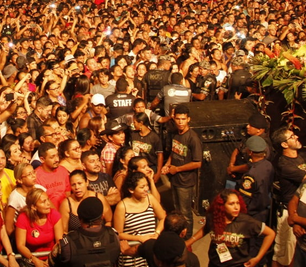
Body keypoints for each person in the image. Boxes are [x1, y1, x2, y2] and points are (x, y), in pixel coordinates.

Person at [186, 189, 275, 267]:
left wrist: (257, 258)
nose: (236, 207)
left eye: (237, 203)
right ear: (222, 206)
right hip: (215, 263)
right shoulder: (214, 217)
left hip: (237, 264)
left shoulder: (246, 222)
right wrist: (189, 242)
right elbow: (206, 228)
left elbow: (270, 234)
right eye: (231, 204)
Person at [161, 104, 202, 239]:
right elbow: (174, 152)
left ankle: (187, 239)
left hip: (186, 181)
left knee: (185, 213)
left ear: (188, 119)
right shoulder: (175, 134)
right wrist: (167, 165)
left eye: (183, 119)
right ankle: (179, 235)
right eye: (178, 119)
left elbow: (197, 163)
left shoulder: (193, 138)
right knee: (177, 210)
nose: (180, 122)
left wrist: (177, 169)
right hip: (175, 179)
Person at [49, 196, 121, 267]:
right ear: (102, 217)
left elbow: (51, 262)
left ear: (79, 219)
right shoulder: (114, 236)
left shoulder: (68, 243)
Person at [114, 171, 166, 267]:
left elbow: (163, 217)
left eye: (146, 185)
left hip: (150, 252)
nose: (146, 189)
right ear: (131, 190)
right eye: (142, 187)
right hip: (131, 254)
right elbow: (118, 234)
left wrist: (157, 233)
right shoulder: (122, 206)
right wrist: (140, 238)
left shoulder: (150, 199)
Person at [15, 188, 63, 267]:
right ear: (34, 207)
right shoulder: (23, 218)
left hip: (52, 257)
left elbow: (59, 242)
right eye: (44, 202)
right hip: (30, 260)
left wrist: (49, 260)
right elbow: (20, 245)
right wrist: (34, 260)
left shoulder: (54, 214)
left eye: (48, 200)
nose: (48, 204)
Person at [236, 135, 274, 223]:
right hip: (264, 210)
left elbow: (246, 198)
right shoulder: (268, 165)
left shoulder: (250, 175)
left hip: (252, 214)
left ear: (250, 152)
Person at [120, 230, 200, 267]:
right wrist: (126, 250)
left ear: (159, 262)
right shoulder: (193, 260)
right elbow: (136, 250)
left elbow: (136, 250)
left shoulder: (150, 248)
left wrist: (126, 250)